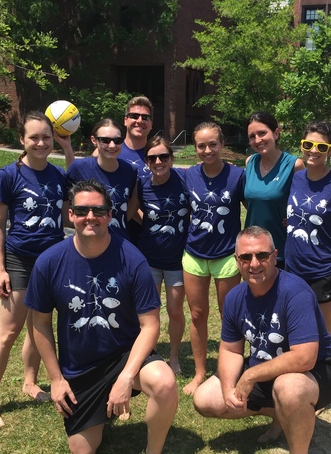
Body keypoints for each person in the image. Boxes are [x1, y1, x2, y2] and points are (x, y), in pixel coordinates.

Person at [25, 179, 179, 454]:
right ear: (70, 215)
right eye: (82, 210)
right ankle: (104, 411)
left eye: (99, 210)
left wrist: (126, 377)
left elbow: (150, 325)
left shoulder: (132, 258)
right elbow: (39, 324)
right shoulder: (49, 262)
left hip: (124, 353)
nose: (90, 216)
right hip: (80, 368)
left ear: (110, 215)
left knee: (164, 382)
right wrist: (54, 379)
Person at [193, 226, 331, 454]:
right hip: (269, 370)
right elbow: (230, 350)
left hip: (319, 371)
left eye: (262, 255)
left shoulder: (294, 292)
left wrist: (250, 377)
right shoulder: (235, 298)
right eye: (246, 257)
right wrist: (229, 388)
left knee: (289, 389)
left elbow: (304, 357)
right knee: (206, 399)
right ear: (236, 260)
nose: (254, 264)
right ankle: (280, 413)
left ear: (275, 256)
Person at [0, 111, 68, 428]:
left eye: (46, 137)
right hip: (19, 260)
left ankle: (30, 383)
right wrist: (0, 268)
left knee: (39, 325)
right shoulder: (8, 175)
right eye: (34, 137)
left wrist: (69, 148)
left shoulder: (58, 176)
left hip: (52, 261)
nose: (41, 143)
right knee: (8, 332)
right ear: (22, 140)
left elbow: (70, 212)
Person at [181, 122, 245, 394]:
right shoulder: (188, 176)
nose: (207, 150)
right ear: (195, 148)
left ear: (222, 145)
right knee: (197, 315)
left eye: (212, 144)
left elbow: (254, 208)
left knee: (229, 316)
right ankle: (199, 373)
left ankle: (228, 372)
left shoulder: (237, 176)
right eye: (201, 145)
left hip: (227, 255)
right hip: (194, 254)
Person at [127, 137, 189, 375]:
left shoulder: (183, 179)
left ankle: (173, 356)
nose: (158, 161)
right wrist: (151, 223)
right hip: (149, 258)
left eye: (164, 156)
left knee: (175, 310)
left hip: (177, 260)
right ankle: (148, 356)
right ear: (147, 162)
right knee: (148, 312)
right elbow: (131, 212)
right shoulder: (142, 184)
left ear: (171, 159)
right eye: (152, 158)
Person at [285, 121, 331, 333]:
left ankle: (323, 367)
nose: (314, 151)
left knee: (321, 334)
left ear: (329, 150)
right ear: (302, 146)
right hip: (293, 269)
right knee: (294, 330)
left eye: (321, 147)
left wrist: (329, 225)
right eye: (308, 144)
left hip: (324, 271)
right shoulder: (296, 178)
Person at [244, 112, 305, 268]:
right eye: (252, 136)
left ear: (276, 133)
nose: (257, 140)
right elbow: (250, 200)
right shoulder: (250, 162)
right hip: (252, 248)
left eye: (262, 133)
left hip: (281, 248)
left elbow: (303, 203)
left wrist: (295, 218)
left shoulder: (294, 165)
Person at [63, 119, 137, 240]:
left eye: (117, 140)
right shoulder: (79, 168)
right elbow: (65, 199)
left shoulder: (130, 171)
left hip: (119, 243)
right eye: (105, 140)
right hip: (89, 244)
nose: (112, 145)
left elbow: (133, 202)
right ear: (94, 140)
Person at [119, 96, 154, 179]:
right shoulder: (111, 150)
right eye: (134, 116)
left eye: (145, 117)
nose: (139, 121)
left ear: (151, 124)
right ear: (125, 120)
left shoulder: (158, 157)